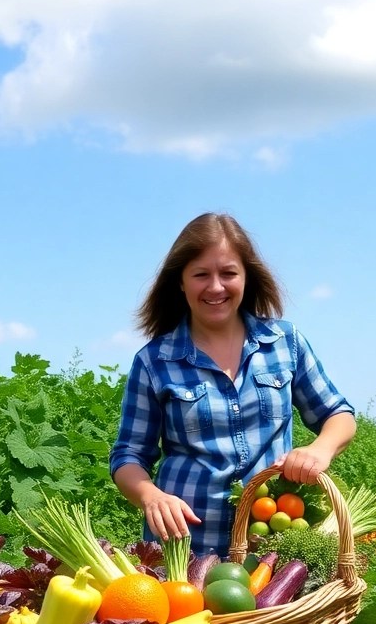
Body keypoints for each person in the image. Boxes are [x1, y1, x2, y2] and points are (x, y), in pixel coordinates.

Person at [109, 212, 356, 557]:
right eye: (201, 275)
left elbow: (337, 414)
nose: (215, 287)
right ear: (181, 281)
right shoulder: (155, 361)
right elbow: (128, 455)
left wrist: (320, 450)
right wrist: (151, 496)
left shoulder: (284, 343)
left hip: (270, 545)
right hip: (184, 548)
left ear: (246, 277)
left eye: (228, 273)